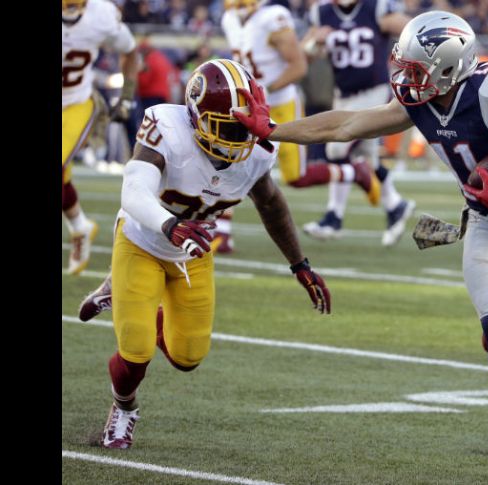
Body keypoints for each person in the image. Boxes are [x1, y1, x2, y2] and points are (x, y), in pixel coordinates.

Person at [235, 11, 488, 482]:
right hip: (485, 224)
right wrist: (274, 129)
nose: (404, 77)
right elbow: (348, 124)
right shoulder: (419, 102)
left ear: (449, 68)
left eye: (416, 70)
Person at [81, 59, 331, 449]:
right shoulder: (166, 127)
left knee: (187, 357)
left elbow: (272, 205)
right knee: (136, 352)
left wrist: (300, 265)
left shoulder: (257, 152)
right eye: (226, 125)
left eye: (242, 123)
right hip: (142, 241)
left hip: (192, 252)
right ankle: (124, 409)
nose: (236, 135)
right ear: (195, 115)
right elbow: (133, 190)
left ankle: (133, 302)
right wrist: (168, 224)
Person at [214, 0, 379, 253]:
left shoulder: (273, 17)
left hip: (280, 105)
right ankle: (222, 235)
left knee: (296, 178)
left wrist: (262, 91)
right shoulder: (230, 20)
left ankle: (355, 172)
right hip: (250, 106)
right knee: (230, 160)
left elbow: (298, 66)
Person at [300, 0, 416, 246]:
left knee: (337, 148)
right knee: (367, 159)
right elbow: (303, 57)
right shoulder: (321, 14)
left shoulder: (376, 8)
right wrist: (314, 43)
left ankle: (334, 217)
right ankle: (396, 205)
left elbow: (414, 32)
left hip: (373, 91)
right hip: (342, 95)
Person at [62, 0, 139, 275]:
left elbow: (131, 52)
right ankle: (80, 226)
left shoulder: (101, 15)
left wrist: (127, 98)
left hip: (75, 102)